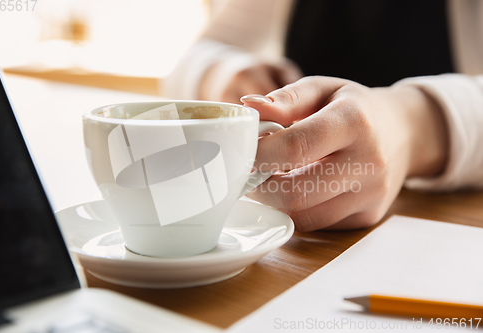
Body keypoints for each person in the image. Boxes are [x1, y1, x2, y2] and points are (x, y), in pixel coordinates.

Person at [163, 0, 483, 231]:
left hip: (439, 218)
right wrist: (226, 75)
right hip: (303, 236)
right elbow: (195, 56)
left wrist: (413, 124)